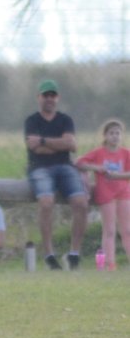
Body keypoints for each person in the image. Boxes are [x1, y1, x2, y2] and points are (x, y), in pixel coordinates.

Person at [24, 78, 88, 270]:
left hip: (65, 167)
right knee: (46, 202)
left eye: (53, 95)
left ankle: (74, 253)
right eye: (46, 95)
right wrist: (59, 144)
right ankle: (49, 254)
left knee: (81, 203)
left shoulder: (65, 120)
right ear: (39, 97)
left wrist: (43, 141)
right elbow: (35, 148)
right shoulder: (32, 121)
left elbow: (72, 146)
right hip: (39, 168)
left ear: (57, 98)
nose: (49, 99)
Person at [75, 119, 130, 270]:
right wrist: (97, 168)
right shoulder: (99, 153)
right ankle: (109, 263)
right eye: (111, 133)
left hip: (124, 193)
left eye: (118, 133)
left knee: (127, 230)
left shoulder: (126, 153)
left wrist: (117, 176)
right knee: (109, 230)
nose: (115, 136)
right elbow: (79, 163)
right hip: (106, 195)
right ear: (105, 135)